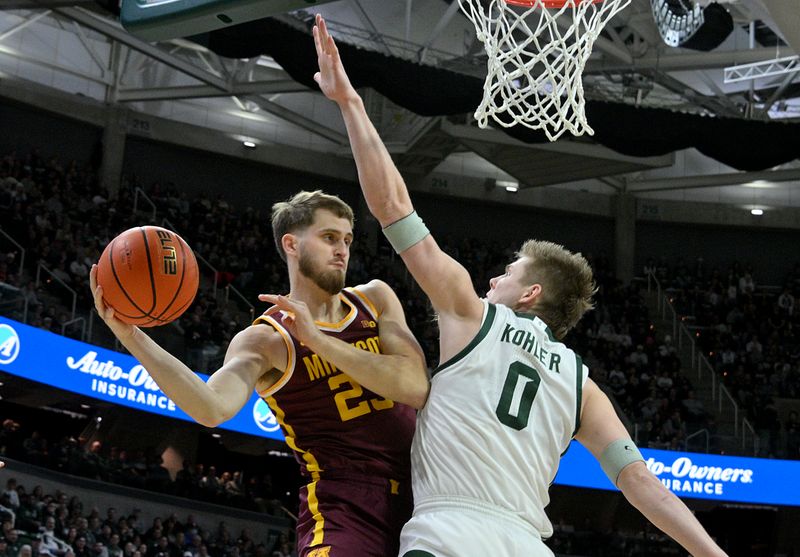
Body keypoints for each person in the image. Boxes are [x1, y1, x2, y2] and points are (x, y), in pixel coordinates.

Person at [309, 13, 728, 557]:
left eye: (506, 273)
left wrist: (351, 103)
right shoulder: (582, 387)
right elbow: (640, 485)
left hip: (447, 535)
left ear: (530, 294)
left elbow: (392, 207)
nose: (491, 279)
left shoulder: (471, 315)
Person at [90, 190, 428, 557]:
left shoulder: (375, 299)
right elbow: (211, 407)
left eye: (347, 239)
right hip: (345, 506)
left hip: (430, 491)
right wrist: (132, 337)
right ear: (291, 244)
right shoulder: (266, 339)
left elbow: (415, 386)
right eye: (329, 237)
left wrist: (320, 341)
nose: (342, 249)